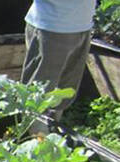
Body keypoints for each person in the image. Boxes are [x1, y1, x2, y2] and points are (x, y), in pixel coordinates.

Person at [20, 0, 96, 134]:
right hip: (51, 26)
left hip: (82, 25)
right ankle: (34, 139)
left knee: (65, 89)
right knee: (39, 94)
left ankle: (51, 130)